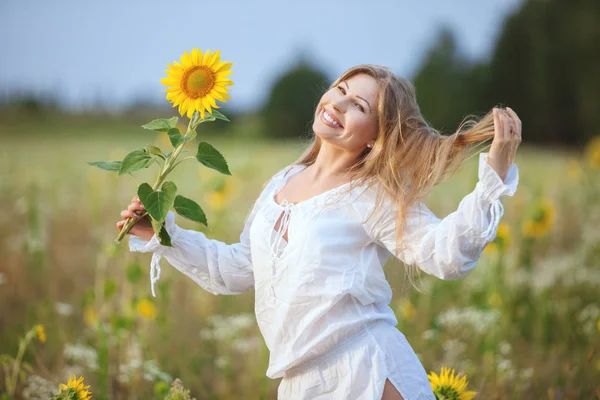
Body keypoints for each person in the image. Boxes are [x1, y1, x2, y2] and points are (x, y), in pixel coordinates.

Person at [117, 64, 521, 400]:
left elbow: (446, 255)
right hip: (299, 385)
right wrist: (163, 235)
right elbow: (239, 269)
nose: (338, 104)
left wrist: (494, 179)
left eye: (358, 105)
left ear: (377, 136)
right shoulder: (282, 181)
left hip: (364, 373)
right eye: (340, 90)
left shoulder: (374, 195)